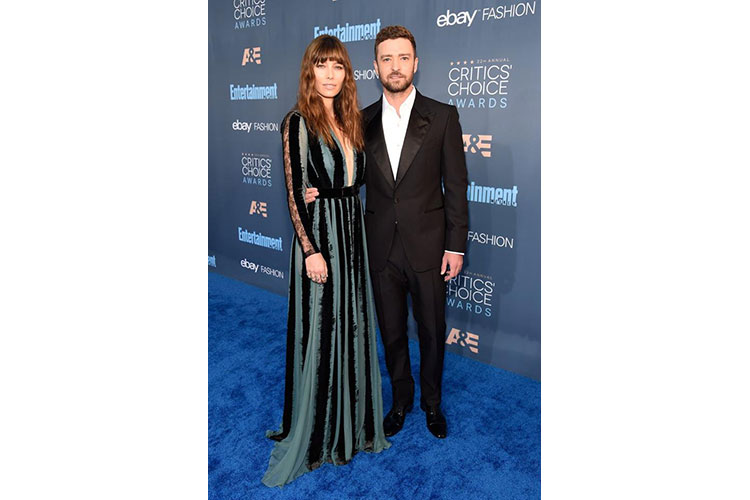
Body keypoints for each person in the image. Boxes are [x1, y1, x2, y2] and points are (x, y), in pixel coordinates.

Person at [305, 26, 469, 440]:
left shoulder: (443, 116)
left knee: (432, 331)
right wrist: (319, 190)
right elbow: (349, 175)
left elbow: (456, 186)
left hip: (429, 246)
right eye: (387, 59)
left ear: (416, 63)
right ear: (375, 66)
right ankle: (400, 399)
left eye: (403, 58)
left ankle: (432, 403)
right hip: (378, 246)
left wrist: (455, 246)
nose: (395, 66)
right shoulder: (359, 121)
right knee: (392, 331)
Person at [261, 35, 390, 488]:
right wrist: (311, 250)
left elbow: (354, 179)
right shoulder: (297, 121)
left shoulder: (351, 119)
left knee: (351, 325)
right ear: (309, 71)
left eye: (338, 66)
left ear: (347, 73)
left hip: (351, 231)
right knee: (321, 329)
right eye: (322, 66)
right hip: (320, 236)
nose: (330, 75)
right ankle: (318, 430)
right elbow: (294, 191)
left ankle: (351, 422)